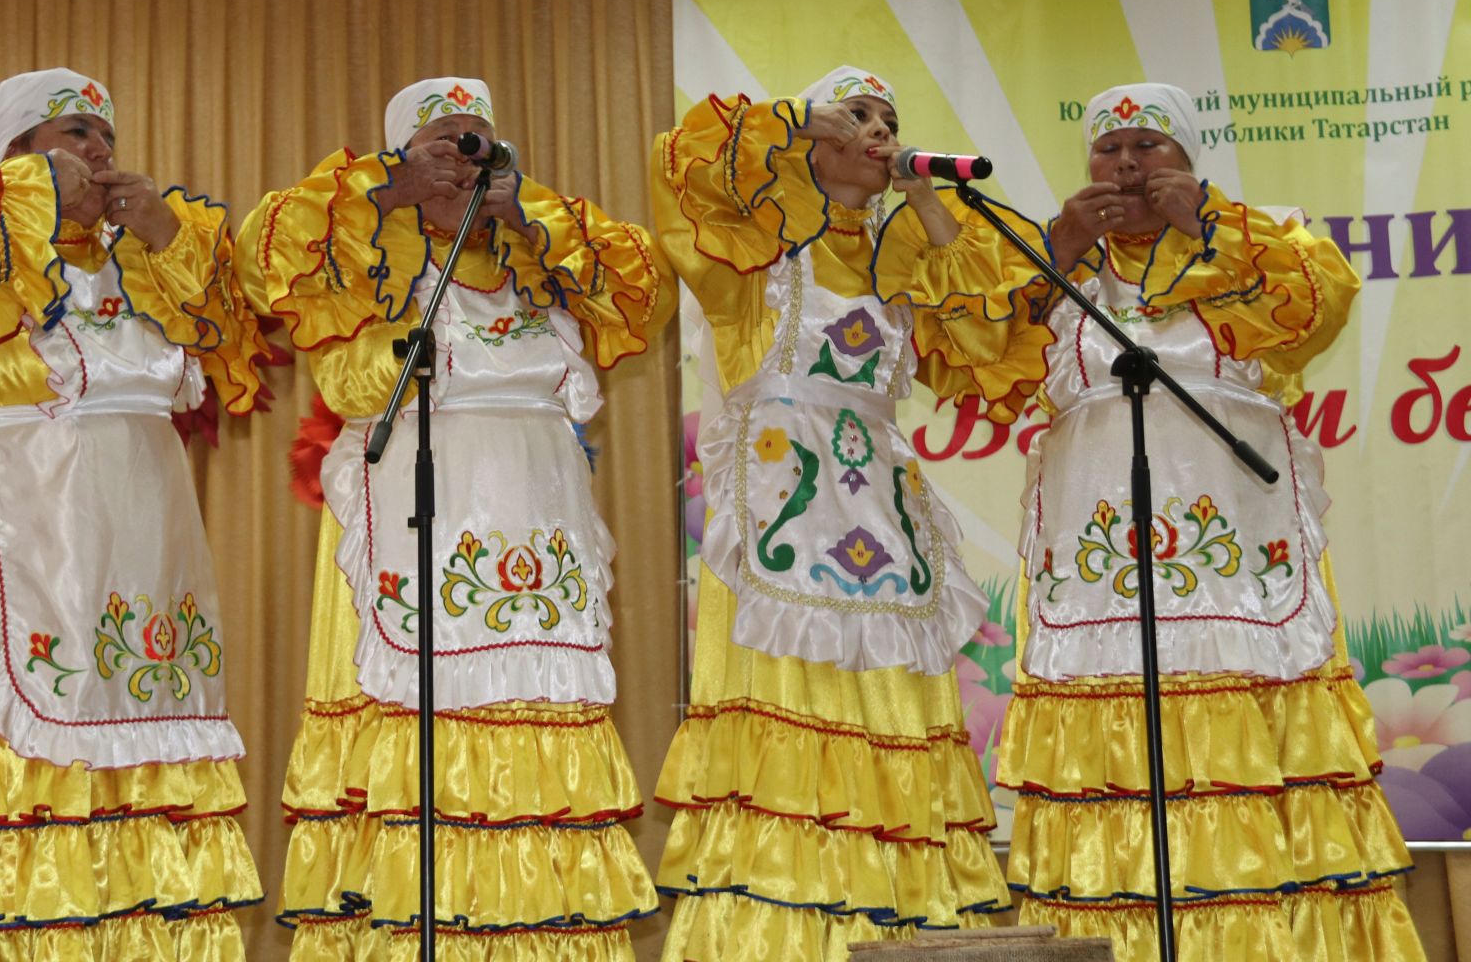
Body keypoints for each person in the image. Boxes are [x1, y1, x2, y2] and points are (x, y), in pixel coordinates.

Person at [872, 83, 1423, 960]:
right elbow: (970, 362)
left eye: (1149, 148)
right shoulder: (1054, 268)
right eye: (1109, 149)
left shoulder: (1258, 236)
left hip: (1232, 554)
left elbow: (1320, 302)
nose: (1126, 165)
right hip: (1101, 561)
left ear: (1190, 162)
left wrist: (1210, 221)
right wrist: (1057, 245)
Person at [239, 76, 673, 959]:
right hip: (415, 516)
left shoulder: (533, 258)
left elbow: (643, 292)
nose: (465, 156)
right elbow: (267, 263)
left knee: (536, 722)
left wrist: (524, 222)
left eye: (479, 140)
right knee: (414, 729)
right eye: (444, 139)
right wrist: (391, 192)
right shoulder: (371, 252)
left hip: (533, 523)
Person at [0, 68, 268, 959]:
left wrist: (162, 232)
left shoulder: (145, 250)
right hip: (18, 497)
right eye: (73, 134)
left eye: (104, 136)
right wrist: (36, 194)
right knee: (28, 704)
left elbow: (236, 341)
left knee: (140, 701)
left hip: (146, 521)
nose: (98, 151)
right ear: (11, 154)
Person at [648, 68, 1011, 959]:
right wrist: (797, 119)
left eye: (891, 120)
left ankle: (906, 921)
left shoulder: (901, 257)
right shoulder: (757, 248)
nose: (880, 130)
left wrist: (929, 208)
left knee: (893, 708)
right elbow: (678, 164)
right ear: (812, 136)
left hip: (880, 512)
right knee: (787, 712)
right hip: (778, 507)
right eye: (858, 116)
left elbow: (988, 337)